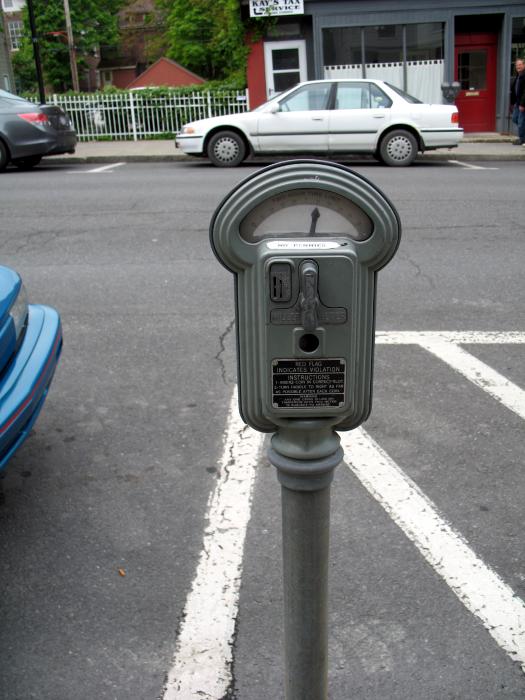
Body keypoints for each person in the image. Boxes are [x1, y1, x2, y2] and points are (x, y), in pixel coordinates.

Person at [510, 58, 525, 145]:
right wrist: (512, 103)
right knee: (515, 118)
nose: (518, 66)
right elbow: (514, 90)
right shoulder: (518, 75)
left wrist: (523, 104)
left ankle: (522, 139)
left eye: (520, 65)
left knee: (521, 122)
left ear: (524, 65)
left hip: (522, 103)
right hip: (517, 103)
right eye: (516, 65)